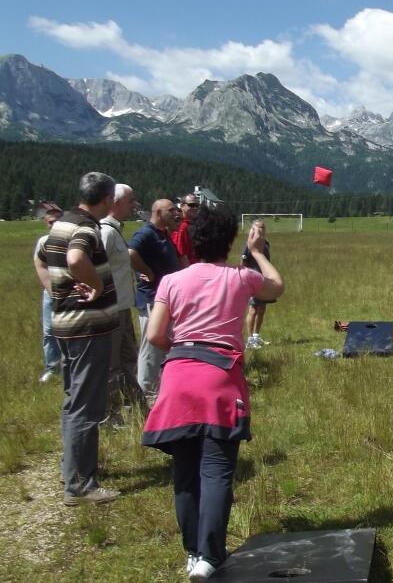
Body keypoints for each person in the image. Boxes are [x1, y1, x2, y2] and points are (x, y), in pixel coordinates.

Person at [142, 206, 283, 581]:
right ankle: (210, 556)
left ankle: (192, 553)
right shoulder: (239, 278)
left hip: (178, 377)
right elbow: (277, 287)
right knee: (218, 471)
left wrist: (184, 346)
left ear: (193, 241)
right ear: (229, 241)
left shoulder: (171, 281)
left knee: (185, 472)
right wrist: (256, 252)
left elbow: (155, 335)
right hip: (220, 378)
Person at [40, 172, 121, 506]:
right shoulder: (87, 227)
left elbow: (41, 257)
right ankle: (80, 485)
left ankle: (71, 467)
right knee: (87, 404)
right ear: (106, 200)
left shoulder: (62, 224)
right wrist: (99, 287)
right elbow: (75, 258)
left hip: (65, 324)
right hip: (88, 328)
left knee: (74, 398)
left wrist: (54, 291)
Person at [99, 184, 147, 422]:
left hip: (123, 307)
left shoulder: (114, 230)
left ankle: (139, 407)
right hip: (111, 309)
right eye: (131, 200)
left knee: (129, 359)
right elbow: (95, 269)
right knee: (112, 365)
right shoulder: (105, 233)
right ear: (116, 203)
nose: (134, 205)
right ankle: (111, 415)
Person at [129, 198, 183, 401]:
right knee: (151, 350)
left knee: (162, 347)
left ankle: (159, 391)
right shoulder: (146, 233)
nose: (175, 213)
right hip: (152, 300)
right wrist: (146, 271)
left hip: (165, 300)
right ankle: (147, 395)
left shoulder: (163, 233)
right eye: (171, 211)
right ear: (159, 213)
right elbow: (130, 252)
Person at [33, 205, 64, 383]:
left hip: (70, 292)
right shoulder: (43, 242)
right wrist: (52, 291)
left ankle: (69, 366)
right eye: (51, 222)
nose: (55, 224)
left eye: (58, 220)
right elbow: (41, 267)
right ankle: (52, 368)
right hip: (50, 292)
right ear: (47, 224)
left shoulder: (71, 239)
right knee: (49, 331)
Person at [242, 219, 277, 348]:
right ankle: (250, 339)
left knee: (262, 309)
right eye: (257, 227)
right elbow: (243, 264)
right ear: (252, 229)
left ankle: (256, 336)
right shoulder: (248, 244)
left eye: (262, 227)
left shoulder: (266, 244)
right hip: (252, 281)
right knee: (253, 309)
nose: (260, 230)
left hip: (264, 281)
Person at [171, 194, 199, 267]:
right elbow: (181, 255)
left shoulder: (194, 225)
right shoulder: (183, 227)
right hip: (189, 269)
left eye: (197, 205)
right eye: (191, 205)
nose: (195, 208)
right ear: (182, 206)